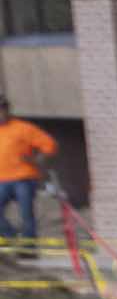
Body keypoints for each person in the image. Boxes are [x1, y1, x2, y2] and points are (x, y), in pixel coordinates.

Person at [0, 99, 57, 243]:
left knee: (26, 214)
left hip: (23, 178)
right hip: (2, 180)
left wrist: (37, 159)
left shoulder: (23, 128)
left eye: (1, 110)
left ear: (7, 110)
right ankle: (13, 237)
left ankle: (29, 248)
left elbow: (49, 144)